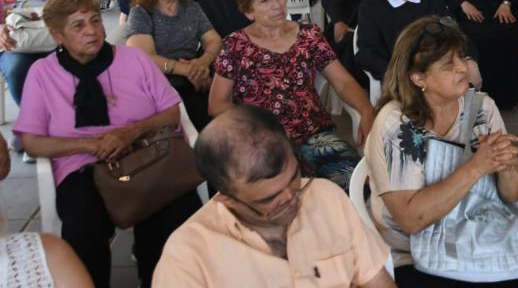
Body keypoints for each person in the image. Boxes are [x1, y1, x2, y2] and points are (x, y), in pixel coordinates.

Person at [14, 0, 202, 287]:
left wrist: (130, 133)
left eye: (95, 20)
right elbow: (32, 141)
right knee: (83, 226)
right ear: (57, 35)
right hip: (83, 167)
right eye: (78, 25)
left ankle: (159, 280)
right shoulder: (42, 73)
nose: (92, 31)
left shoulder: (133, 60)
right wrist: (91, 144)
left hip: (147, 155)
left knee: (175, 210)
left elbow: (170, 113)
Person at [363, 16, 518, 288]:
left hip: (477, 233)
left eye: (462, 57)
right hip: (416, 254)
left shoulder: (482, 108)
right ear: (418, 77)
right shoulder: (397, 125)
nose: (463, 68)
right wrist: (476, 166)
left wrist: (507, 167)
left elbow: (515, 193)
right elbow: (411, 220)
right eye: (449, 64)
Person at [153, 105, 395, 288]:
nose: (292, 198)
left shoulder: (325, 196)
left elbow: (376, 280)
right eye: (269, 199)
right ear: (225, 197)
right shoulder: (187, 255)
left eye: (294, 177)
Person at [209, 0, 373, 188]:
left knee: (360, 187)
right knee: (283, 198)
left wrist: (366, 109)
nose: (276, 5)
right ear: (248, 12)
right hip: (264, 141)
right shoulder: (235, 45)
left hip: (315, 136)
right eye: (264, 0)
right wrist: (262, 125)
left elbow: (343, 81)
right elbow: (216, 103)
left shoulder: (309, 35)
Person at [126, 0, 221, 134]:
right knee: (190, 95)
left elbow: (214, 40)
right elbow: (144, 57)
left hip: (193, 70)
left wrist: (202, 63)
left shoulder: (192, 7)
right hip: (160, 77)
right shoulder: (142, 13)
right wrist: (188, 71)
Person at [356, 0, 449, 81]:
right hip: (398, 78)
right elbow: (368, 53)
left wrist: (469, 59)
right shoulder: (372, 7)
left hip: (436, 73)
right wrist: (401, 76)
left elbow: (452, 31)